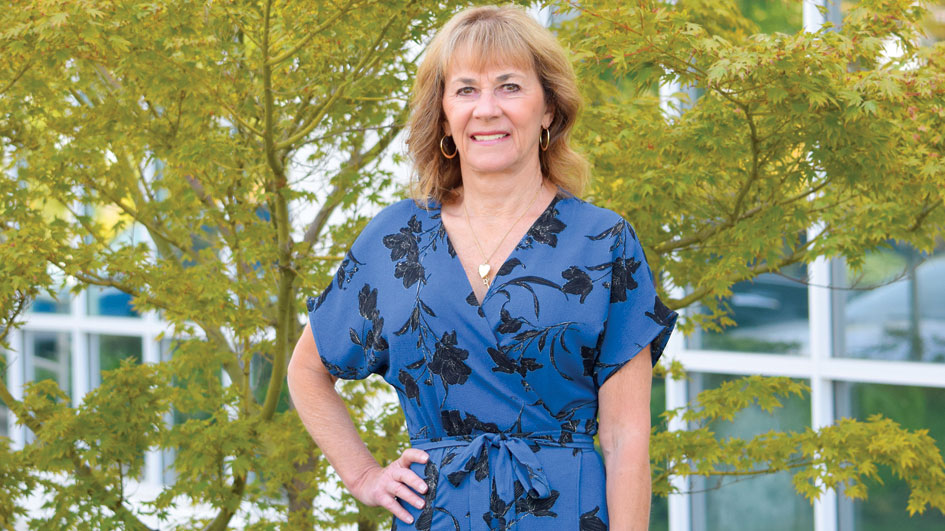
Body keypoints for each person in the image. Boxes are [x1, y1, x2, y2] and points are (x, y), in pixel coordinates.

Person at [287, 5, 678, 530]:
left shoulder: (604, 242)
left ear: (548, 110)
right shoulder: (396, 239)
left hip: (566, 515)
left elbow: (626, 438)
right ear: (444, 113)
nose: (487, 109)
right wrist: (363, 476)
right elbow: (308, 371)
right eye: (466, 89)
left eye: (510, 87)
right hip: (439, 514)